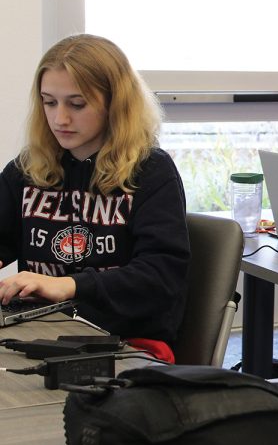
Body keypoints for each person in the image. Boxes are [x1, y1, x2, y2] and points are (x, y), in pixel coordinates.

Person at [0, 34, 190, 363]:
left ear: (114, 103)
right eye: (49, 102)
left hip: (128, 343)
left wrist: (70, 286)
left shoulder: (151, 172)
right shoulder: (27, 169)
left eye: (77, 104)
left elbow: (160, 279)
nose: (60, 118)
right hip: (41, 333)